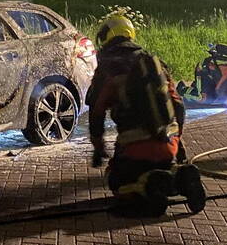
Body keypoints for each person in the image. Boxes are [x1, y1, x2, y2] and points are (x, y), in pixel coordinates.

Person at [87, 15, 206, 216]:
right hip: (169, 143)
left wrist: (98, 146)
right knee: (165, 168)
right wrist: (177, 139)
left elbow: (96, 110)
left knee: (116, 182)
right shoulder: (154, 63)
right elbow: (178, 105)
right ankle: (181, 178)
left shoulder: (108, 68)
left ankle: (146, 188)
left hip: (134, 146)